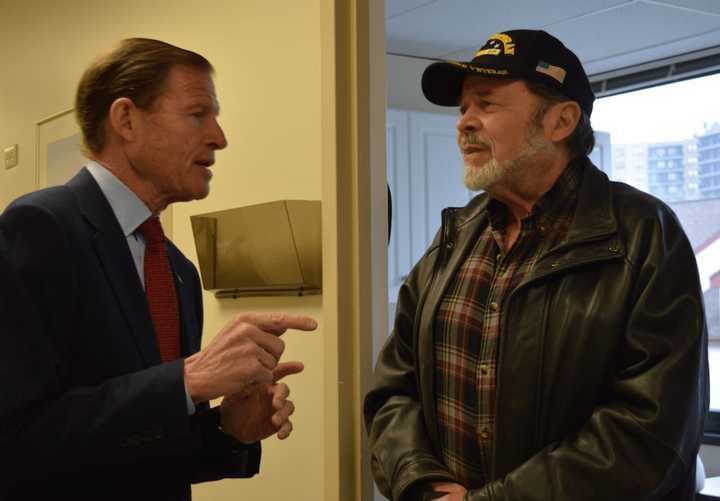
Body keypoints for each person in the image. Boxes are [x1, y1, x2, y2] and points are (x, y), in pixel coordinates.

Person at [364, 29, 708, 501]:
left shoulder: (644, 236)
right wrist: (421, 483)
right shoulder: (454, 238)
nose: (464, 123)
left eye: (486, 103)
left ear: (561, 121)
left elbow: (650, 433)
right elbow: (392, 392)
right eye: (463, 108)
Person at [0, 38, 317, 501]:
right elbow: (17, 439)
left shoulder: (178, 271)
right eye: (197, 114)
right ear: (126, 119)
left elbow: (152, 451)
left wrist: (229, 429)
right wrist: (185, 381)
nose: (219, 137)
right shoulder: (39, 229)